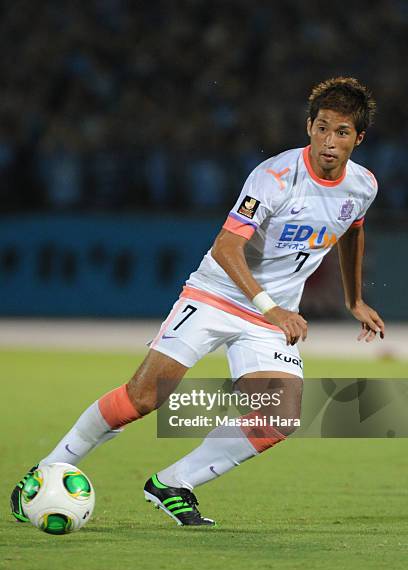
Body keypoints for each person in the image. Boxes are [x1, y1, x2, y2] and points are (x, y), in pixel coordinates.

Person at [11, 76, 385, 527]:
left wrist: (354, 299)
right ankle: (47, 469)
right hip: (218, 294)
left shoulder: (362, 185)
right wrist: (273, 308)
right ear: (308, 126)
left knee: (279, 418)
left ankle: (174, 482)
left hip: (269, 317)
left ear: (358, 138)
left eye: (341, 132)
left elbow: (353, 231)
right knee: (145, 397)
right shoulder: (275, 176)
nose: (329, 141)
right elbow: (227, 248)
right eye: (322, 127)